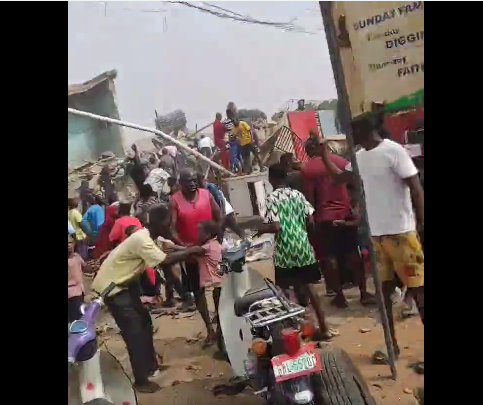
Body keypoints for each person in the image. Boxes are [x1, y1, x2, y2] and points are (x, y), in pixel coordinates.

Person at [320, 117, 424, 361]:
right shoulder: (360, 157)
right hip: (377, 237)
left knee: (419, 292)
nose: (349, 134)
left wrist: (421, 223)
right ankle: (392, 347)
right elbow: (337, 179)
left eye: (351, 129)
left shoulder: (394, 151)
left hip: (402, 233)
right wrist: (323, 154)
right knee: (383, 293)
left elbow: (415, 187)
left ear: (365, 130)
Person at [90, 204, 206, 393]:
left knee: (145, 322)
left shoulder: (148, 238)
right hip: (114, 290)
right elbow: (164, 261)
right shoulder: (142, 239)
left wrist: (185, 249)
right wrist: (192, 251)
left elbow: (165, 257)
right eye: (168, 223)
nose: (170, 226)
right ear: (160, 223)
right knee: (134, 332)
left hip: (125, 287)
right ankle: (141, 380)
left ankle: (151, 366)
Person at [254, 163, 334, 340]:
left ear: (271, 179)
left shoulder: (271, 199)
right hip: (303, 245)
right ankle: (324, 328)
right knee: (311, 289)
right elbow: (310, 220)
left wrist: (261, 229)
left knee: (284, 292)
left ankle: (295, 332)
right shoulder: (298, 195)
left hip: (285, 249)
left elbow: (275, 226)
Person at [302, 134, 376, 307]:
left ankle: (340, 296)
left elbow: (309, 199)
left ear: (310, 149)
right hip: (345, 214)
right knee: (353, 255)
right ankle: (364, 293)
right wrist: (354, 207)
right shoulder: (341, 162)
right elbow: (356, 186)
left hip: (324, 218)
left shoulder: (308, 169)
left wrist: (310, 221)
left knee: (330, 258)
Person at [169, 169, 222, 335]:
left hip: (210, 250)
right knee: (198, 291)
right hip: (191, 254)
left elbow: (218, 216)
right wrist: (185, 248)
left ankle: (221, 324)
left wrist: (217, 238)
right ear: (180, 184)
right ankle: (209, 329)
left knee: (218, 288)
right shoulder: (174, 200)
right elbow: (172, 228)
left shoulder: (207, 195)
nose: (192, 184)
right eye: (188, 181)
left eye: (194, 180)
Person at [195, 220, 223, 347]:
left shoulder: (206, 247)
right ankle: (219, 334)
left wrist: (173, 248)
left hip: (210, 284)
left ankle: (218, 337)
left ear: (208, 234)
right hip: (219, 283)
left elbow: (188, 252)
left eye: (199, 233)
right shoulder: (217, 244)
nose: (197, 235)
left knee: (215, 311)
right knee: (219, 311)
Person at [68, 236, 90, 323]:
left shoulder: (76, 256)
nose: (68, 245)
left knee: (82, 315)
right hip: (71, 293)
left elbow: (85, 267)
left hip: (80, 290)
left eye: (70, 243)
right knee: (76, 318)